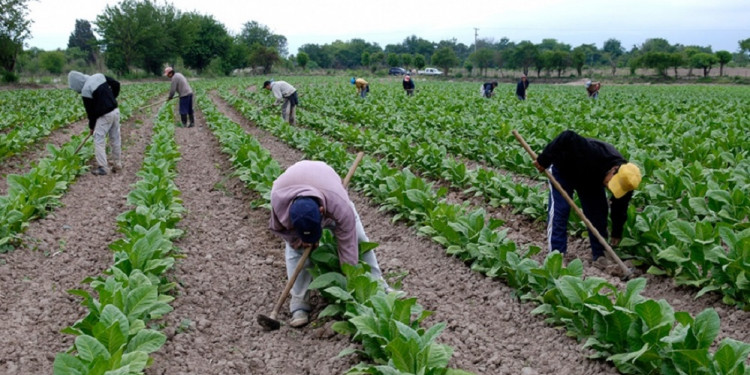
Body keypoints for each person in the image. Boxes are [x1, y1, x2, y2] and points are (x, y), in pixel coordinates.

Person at [269, 160, 391, 327]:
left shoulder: (338, 203)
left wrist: (351, 279)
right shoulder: (279, 200)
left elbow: (347, 242)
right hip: (293, 188)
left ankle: (378, 285)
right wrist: (297, 240)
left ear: (321, 212)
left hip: (326, 184)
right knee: (295, 251)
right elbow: (280, 229)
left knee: (359, 239)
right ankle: (299, 303)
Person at [533, 130, 642, 266]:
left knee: (598, 213)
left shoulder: (627, 181)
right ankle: (556, 256)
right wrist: (544, 159)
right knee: (561, 210)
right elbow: (567, 136)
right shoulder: (591, 152)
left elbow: (619, 208)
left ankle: (600, 254)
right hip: (564, 169)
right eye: (611, 183)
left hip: (591, 178)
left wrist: (616, 232)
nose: (609, 187)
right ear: (614, 169)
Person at [68, 71, 121, 176]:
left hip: (105, 115)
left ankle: (103, 168)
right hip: (115, 111)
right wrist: (112, 98)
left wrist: (92, 127)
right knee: (115, 137)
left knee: (99, 140)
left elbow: (91, 113)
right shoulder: (99, 76)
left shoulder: (86, 90)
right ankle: (117, 164)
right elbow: (116, 84)